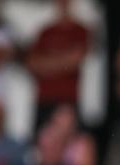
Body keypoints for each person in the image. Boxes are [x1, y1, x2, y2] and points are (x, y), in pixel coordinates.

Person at [25, 0, 90, 132]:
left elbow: (74, 61)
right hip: (44, 99)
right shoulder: (45, 32)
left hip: (67, 99)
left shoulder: (80, 30)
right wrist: (62, 62)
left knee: (70, 145)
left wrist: (46, 65)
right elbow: (31, 63)